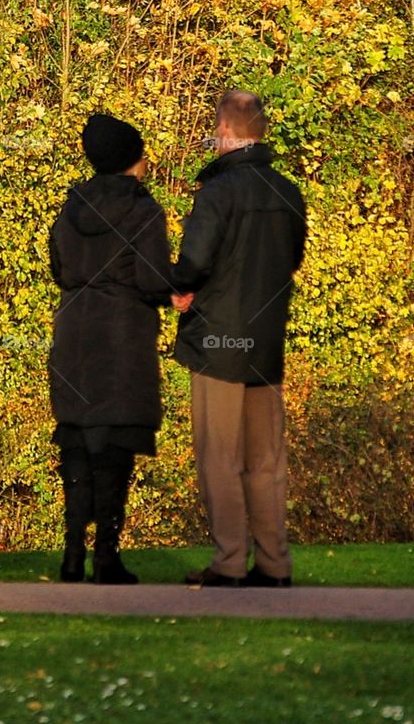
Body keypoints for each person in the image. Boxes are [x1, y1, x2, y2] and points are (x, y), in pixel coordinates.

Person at [48, 112, 192, 584]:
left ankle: (72, 553)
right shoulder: (142, 209)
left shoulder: (71, 208)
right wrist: (176, 287)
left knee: (77, 438)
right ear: (133, 159)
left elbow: (59, 266)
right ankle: (105, 554)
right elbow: (151, 276)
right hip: (122, 337)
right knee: (114, 446)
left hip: (75, 333)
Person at [171, 89, 307, 587]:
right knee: (267, 461)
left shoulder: (217, 194)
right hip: (266, 344)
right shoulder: (287, 192)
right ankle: (274, 563)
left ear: (225, 132)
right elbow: (291, 260)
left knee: (219, 458)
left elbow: (195, 264)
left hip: (218, 343)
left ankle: (229, 560)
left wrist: (179, 289)